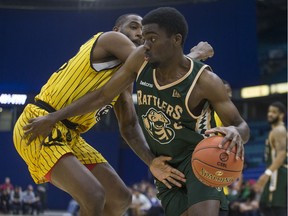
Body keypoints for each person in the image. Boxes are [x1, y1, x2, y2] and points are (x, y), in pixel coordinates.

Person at [23, 7, 250, 216]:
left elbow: (130, 127)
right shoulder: (113, 40)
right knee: (93, 195)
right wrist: (194, 54)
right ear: (117, 30)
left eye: (148, 35)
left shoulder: (133, 82)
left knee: (121, 199)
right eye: (135, 28)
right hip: (43, 120)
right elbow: (138, 69)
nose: (141, 38)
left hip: (194, 156)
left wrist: (151, 162)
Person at [253, 101, 287, 216]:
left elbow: (281, 155)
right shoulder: (274, 130)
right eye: (269, 111)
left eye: (274, 112)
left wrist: (266, 174)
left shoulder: (279, 130)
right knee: (264, 205)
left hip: (280, 175)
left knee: (277, 208)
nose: (270, 114)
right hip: (275, 173)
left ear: (281, 115)